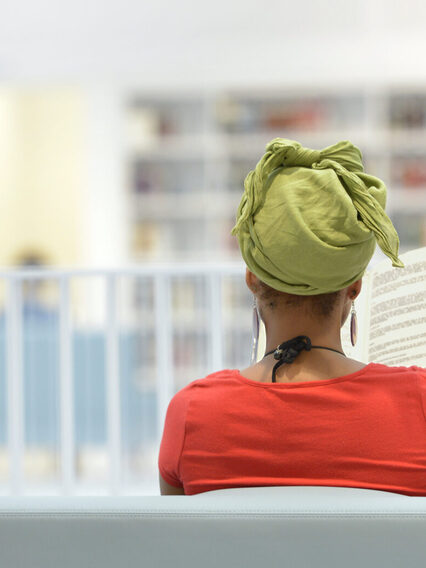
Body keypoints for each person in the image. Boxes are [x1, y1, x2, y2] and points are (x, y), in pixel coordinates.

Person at [158, 137, 426, 497]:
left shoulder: (192, 414)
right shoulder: (417, 403)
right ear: (355, 287)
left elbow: (179, 550)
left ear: (252, 278)